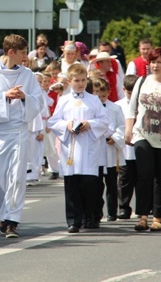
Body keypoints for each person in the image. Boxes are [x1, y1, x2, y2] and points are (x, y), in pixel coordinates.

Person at [0, 34, 44, 238]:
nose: (26, 57)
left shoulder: (28, 75)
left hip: (19, 130)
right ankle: (3, 214)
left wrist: (24, 97)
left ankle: (12, 220)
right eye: (23, 52)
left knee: (17, 177)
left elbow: (38, 102)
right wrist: (4, 97)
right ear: (11, 52)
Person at [125, 47, 161, 232]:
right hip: (142, 134)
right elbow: (132, 108)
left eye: (159, 62)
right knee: (144, 174)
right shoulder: (142, 81)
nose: (155, 65)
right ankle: (142, 216)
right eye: (152, 62)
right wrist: (128, 129)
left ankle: (157, 217)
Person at [47, 64, 110, 232]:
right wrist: (67, 125)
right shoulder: (64, 100)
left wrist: (90, 124)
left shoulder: (93, 100)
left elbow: (104, 122)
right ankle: (74, 220)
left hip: (89, 148)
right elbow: (53, 121)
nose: (80, 84)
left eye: (83, 80)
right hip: (72, 149)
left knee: (89, 185)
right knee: (72, 185)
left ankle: (90, 217)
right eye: (76, 80)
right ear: (69, 81)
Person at [92, 77, 124, 223]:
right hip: (97, 149)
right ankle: (97, 212)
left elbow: (121, 127)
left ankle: (112, 212)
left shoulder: (115, 108)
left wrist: (115, 138)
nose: (101, 99)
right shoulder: (91, 108)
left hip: (110, 149)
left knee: (112, 184)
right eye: (98, 95)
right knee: (97, 185)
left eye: (103, 96)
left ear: (109, 93)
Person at [116, 75, 137, 219]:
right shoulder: (118, 105)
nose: (132, 95)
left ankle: (144, 207)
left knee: (143, 179)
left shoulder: (143, 104)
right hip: (125, 149)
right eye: (129, 92)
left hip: (141, 147)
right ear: (124, 90)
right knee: (125, 180)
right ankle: (124, 207)